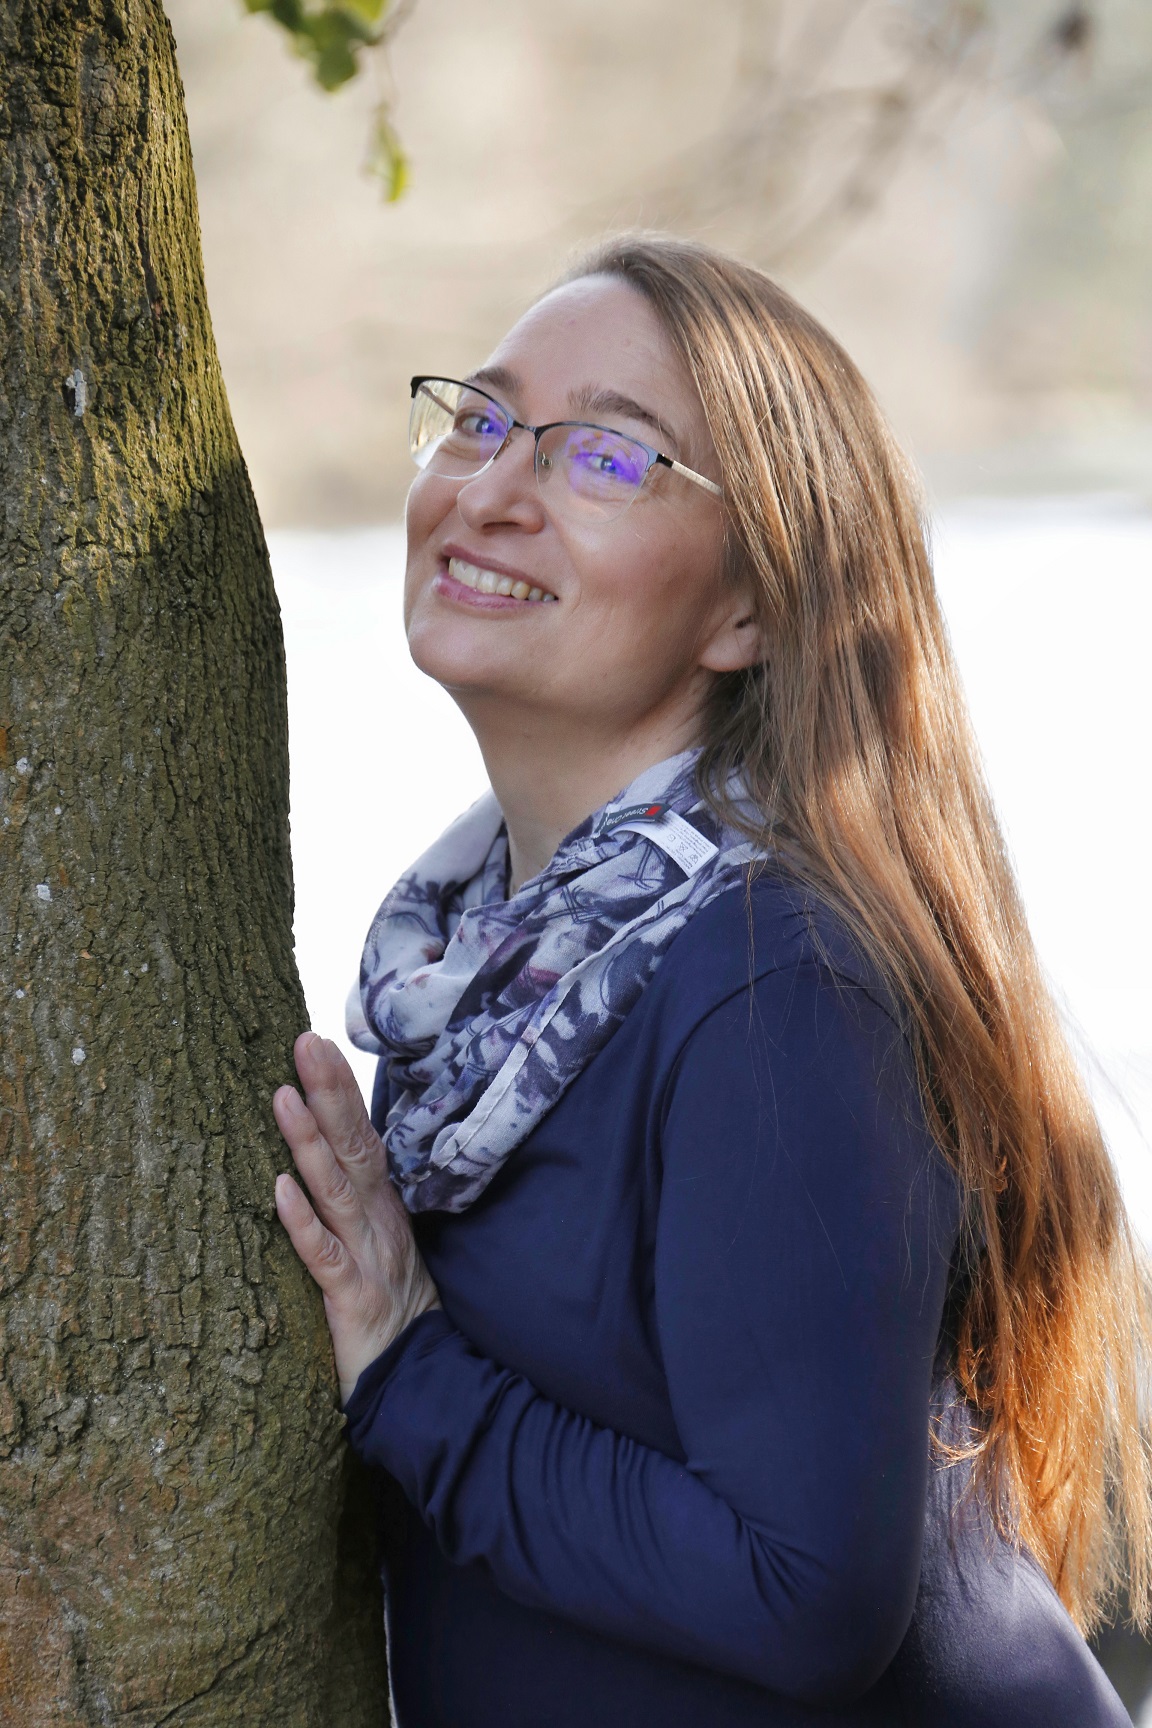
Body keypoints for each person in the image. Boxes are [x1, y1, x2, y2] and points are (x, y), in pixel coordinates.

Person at [271, 235, 1150, 1726]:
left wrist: (408, 1368)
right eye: (482, 418)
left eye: (606, 457)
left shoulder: (774, 980)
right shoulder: (479, 977)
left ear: (751, 610)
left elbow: (803, 1597)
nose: (491, 488)